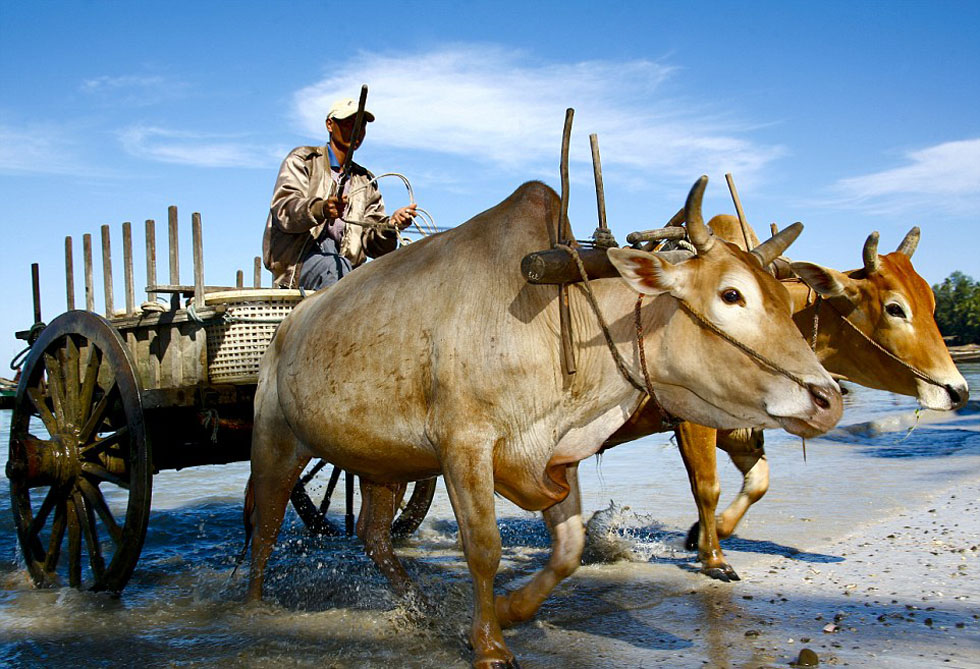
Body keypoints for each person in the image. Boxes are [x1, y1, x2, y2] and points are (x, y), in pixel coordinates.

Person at [262, 97, 417, 289]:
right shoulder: (303, 160)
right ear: (330, 124)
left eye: (361, 126)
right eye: (349, 124)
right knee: (335, 268)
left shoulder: (365, 180)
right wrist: (320, 209)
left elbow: (373, 244)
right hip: (299, 263)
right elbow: (284, 210)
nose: (356, 132)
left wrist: (391, 226)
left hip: (345, 266)